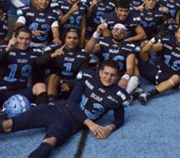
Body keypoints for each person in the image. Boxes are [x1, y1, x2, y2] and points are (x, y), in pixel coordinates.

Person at [0, 60, 128, 157]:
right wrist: (91, 125)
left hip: (69, 123)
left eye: (112, 75)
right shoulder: (88, 77)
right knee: (8, 125)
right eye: (106, 73)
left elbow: (119, 119)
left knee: (50, 141)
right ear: (100, 72)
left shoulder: (117, 95)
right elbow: (72, 103)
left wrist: (109, 128)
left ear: (117, 77)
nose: (108, 77)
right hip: (55, 109)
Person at [138, 24, 180, 104]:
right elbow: (144, 51)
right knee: (136, 59)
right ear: (176, 34)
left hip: (169, 78)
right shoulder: (167, 41)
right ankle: (136, 87)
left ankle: (148, 94)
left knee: (176, 77)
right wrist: (153, 39)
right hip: (155, 70)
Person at [85, 23, 140, 94]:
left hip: (117, 77)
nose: (119, 32)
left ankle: (125, 95)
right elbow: (88, 50)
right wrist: (97, 33)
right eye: (116, 29)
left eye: (122, 31)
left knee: (134, 76)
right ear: (112, 31)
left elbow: (130, 67)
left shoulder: (129, 46)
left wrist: (125, 78)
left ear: (126, 34)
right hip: (102, 75)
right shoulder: (103, 41)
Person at [39, 28, 90, 102]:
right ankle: (51, 103)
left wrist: (68, 83)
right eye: (69, 38)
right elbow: (39, 62)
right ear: (64, 39)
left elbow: (84, 75)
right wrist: (52, 55)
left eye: (75, 38)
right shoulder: (54, 48)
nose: (72, 40)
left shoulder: (83, 53)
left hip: (71, 85)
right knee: (53, 77)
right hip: (54, 84)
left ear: (79, 40)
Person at [0, 28, 48, 106]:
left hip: (20, 93)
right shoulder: (4, 48)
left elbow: (48, 55)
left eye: (27, 39)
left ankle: (41, 112)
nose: (24, 42)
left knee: (40, 86)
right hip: (2, 91)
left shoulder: (36, 52)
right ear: (15, 38)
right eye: (21, 38)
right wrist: (8, 49)